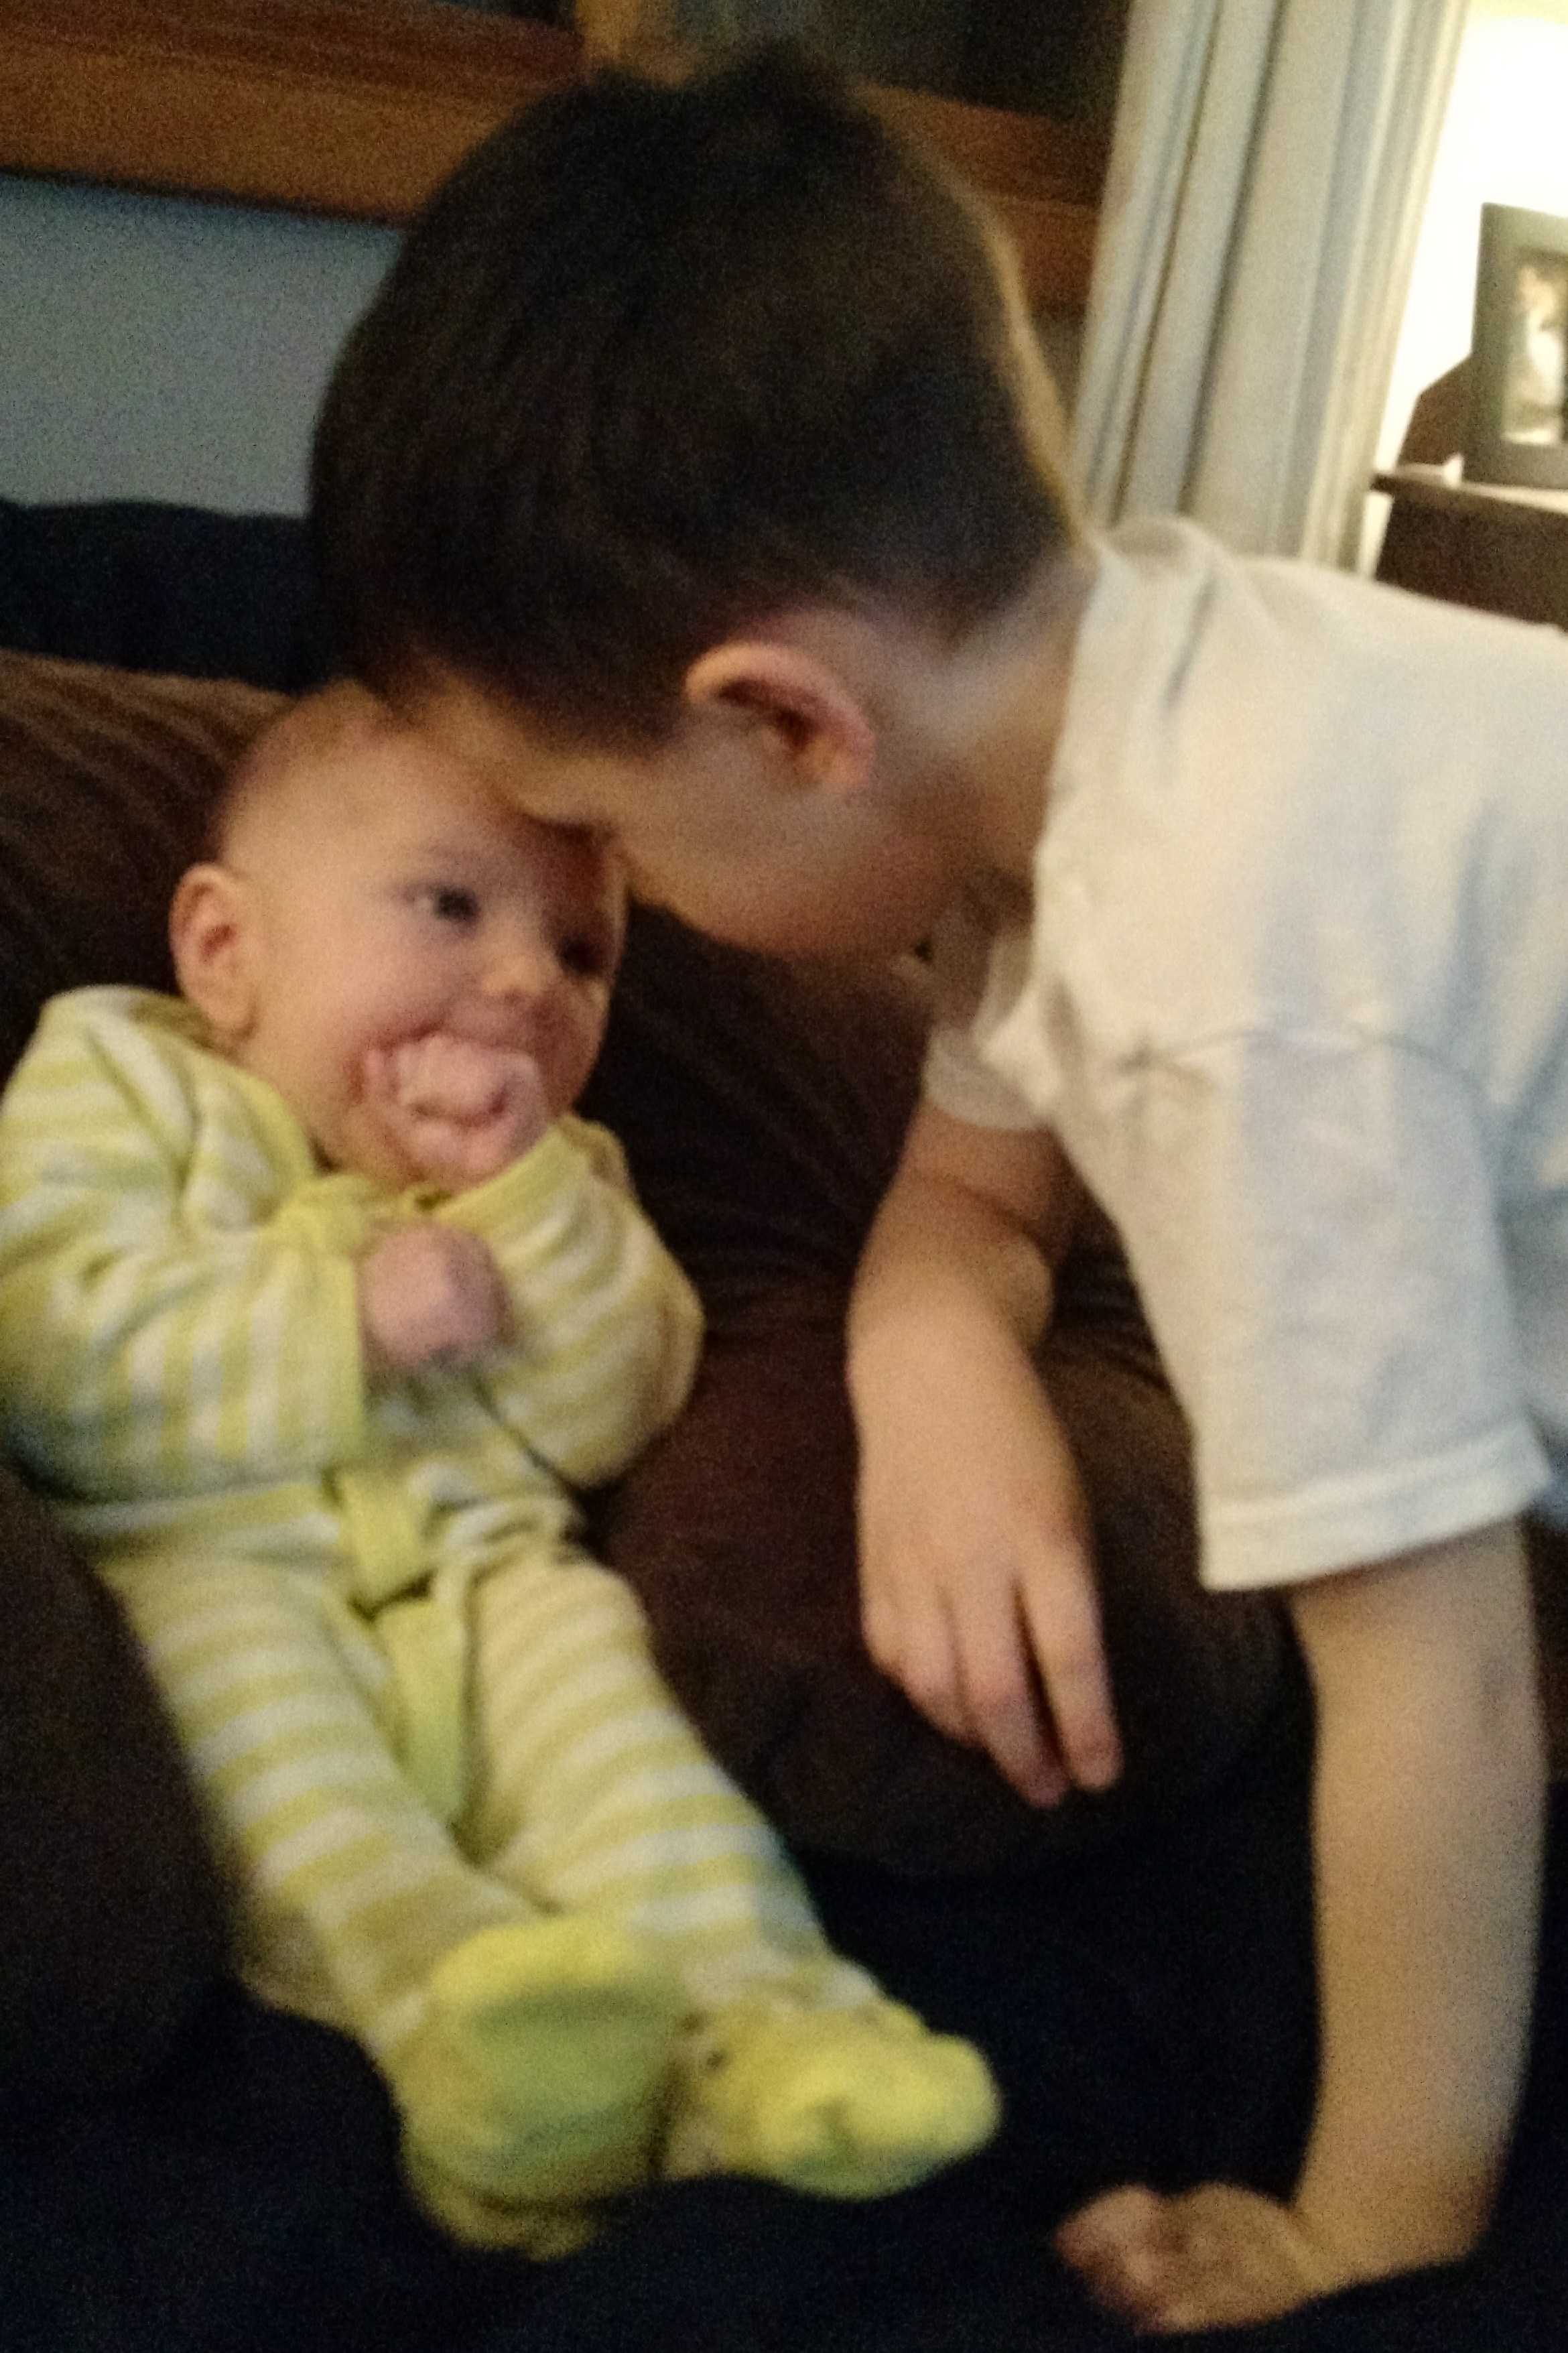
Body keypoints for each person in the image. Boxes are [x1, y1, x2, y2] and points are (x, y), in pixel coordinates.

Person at [302, 44, 1563, 2330]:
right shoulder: (1120, 718)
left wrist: (1362, 2235)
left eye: (604, 831)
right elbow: (976, 1194)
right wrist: (923, 1345)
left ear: (789, 723)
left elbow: (1440, 1689)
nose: (612, 908)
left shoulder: (1230, 980)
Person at [0, 681, 1000, 2259]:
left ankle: (767, 2033)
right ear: (225, 950)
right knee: (294, 1790)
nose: (528, 980)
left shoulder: (567, 1175)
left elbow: (615, 1405)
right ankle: (468, 2040)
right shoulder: (121, 1077)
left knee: (624, 1751)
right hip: (204, 1566)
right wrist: (338, 1318)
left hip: (493, 1572)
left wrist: (523, 1201)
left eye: (583, 952)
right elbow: (53, 1353)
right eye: (450, 907)